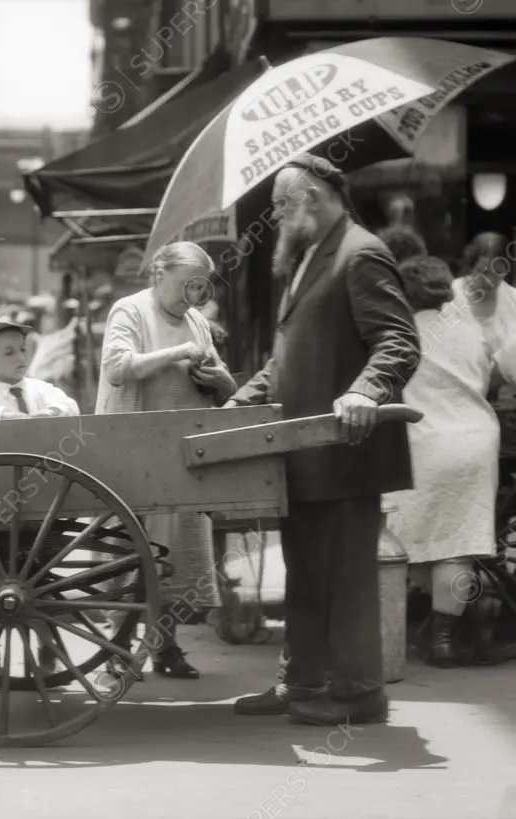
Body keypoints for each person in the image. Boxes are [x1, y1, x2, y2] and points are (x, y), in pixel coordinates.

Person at [227, 154, 421, 725]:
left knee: (345, 578)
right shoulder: (312, 256)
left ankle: (360, 693)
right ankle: (305, 680)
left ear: (311, 196)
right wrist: (247, 394)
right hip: (303, 454)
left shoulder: (360, 253)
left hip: (344, 452)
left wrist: (366, 392)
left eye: (283, 204)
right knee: (307, 577)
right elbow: (288, 358)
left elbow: (398, 341)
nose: (278, 217)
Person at [96, 241, 238, 679]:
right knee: (129, 555)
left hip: (182, 455)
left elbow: (226, 384)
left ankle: (164, 646)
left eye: (199, 287)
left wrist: (222, 380)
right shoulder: (131, 311)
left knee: (179, 556)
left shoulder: (197, 321)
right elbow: (118, 368)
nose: (190, 296)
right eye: (184, 285)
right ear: (159, 274)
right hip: (132, 450)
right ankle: (117, 650)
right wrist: (176, 354)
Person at [384, 255, 500, 667]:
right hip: (474, 442)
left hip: (421, 443)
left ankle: (403, 630)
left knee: (408, 540)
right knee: (458, 544)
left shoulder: (397, 332)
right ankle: (443, 640)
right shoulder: (472, 329)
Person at [0, 317, 80, 680]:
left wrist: (49, 414)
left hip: (43, 510)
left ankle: (48, 647)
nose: (19, 357)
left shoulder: (41, 390)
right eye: (8, 352)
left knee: (44, 581)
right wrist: (6, 416)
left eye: (23, 350)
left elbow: (69, 406)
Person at [454, 232, 516, 357]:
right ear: (471, 267)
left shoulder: (513, 299)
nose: (491, 281)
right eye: (484, 272)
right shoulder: (451, 294)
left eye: (499, 272)